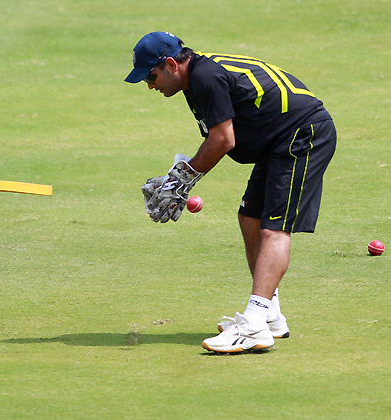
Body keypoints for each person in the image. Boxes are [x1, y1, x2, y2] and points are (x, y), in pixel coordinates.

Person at [125, 32, 336, 353]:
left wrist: (182, 180)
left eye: (150, 77)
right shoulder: (195, 79)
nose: (150, 85)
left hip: (302, 136)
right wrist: (181, 176)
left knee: (274, 230)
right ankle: (270, 316)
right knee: (249, 217)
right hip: (280, 140)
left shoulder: (205, 78)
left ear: (170, 64)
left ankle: (254, 326)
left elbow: (223, 140)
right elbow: (221, 138)